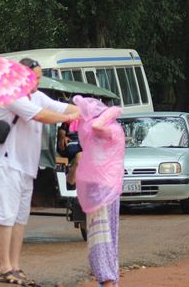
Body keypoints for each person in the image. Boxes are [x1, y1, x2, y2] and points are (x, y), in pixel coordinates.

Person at [0, 59, 79, 286]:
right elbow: (42, 116)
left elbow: (57, 107)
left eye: (39, 77)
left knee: (20, 218)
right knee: (5, 217)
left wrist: (86, 110)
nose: (37, 81)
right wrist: (70, 118)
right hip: (6, 165)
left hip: (26, 166)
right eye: (34, 77)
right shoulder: (10, 95)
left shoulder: (36, 96)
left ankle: (15, 266)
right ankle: (4, 266)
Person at [71, 96, 125, 287]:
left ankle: (107, 278)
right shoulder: (104, 130)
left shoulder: (112, 132)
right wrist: (114, 110)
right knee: (103, 233)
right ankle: (107, 278)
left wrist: (103, 113)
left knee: (102, 233)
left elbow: (94, 126)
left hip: (103, 189)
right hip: (102, 189)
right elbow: (95, 126)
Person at [57, 121, 82, 189]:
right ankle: (70, 184)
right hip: (72, 142)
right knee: (81, 156)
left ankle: (71, 182)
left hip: (87, 144)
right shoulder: (74, 115)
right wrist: (62, 137)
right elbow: (62, 130)